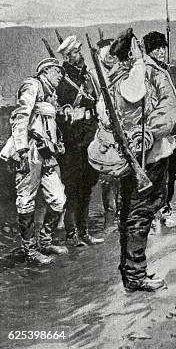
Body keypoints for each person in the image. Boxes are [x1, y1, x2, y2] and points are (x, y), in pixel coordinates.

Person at [107, 28, 176, 292]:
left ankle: (130, 270)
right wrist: (149, 132)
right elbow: (158, 106)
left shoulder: (129, 74)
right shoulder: (137, 74)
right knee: (140, 212)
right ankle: (135, 274)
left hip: (143, 153)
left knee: (136, 210)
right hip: (143, 157)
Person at [0, 58, 68, 264]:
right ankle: (30, 250)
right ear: (46, 71)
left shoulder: (50, 93)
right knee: (26, 200)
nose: (60, 77)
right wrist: (21, 148)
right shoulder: (32, 85)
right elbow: (20, 116)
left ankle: (45, 242)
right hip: (29, 150)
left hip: (47, 153)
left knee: (58, 199)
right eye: (57, 72)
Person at [55, 35, 104, 247]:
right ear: (67, 56)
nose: (79, 55)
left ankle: (84, 232)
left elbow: (97, 102)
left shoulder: (87, 77)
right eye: (75, 52)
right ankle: (71, 234)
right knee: (72, 187)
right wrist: (69, 113)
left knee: (87, 185)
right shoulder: (62, 79)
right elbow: (57, 111)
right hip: (72, 140)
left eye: (79, 51)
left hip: (89, 137)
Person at [142, 31, 176, 231]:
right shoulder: (145, 71)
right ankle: (151, 217)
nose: (160, 51)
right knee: (154, 175)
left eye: (162, 47)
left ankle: (165, 210)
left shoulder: (171, 71)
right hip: (155, 132)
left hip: (172, 132)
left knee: (170, 174)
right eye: (156, 48)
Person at [96, 38, 121, 230]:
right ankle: (110, 219)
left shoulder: (122, 72)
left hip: (124, 131)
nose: (111, 57)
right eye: (107, 53)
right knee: (108, 177)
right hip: (104, 131)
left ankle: (125, 213)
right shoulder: (94, 76)